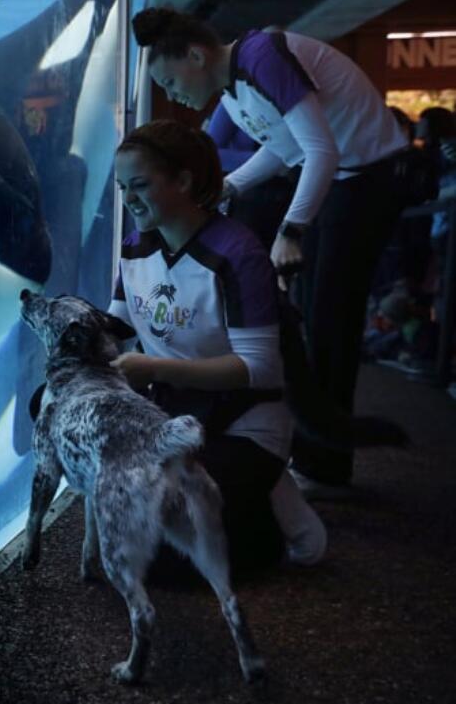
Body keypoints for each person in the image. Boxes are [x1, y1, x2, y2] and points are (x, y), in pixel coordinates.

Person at [131, 7, 415, 496]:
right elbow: (284, 147)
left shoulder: (261, 57)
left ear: (195, 55)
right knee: (313, 319)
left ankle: (325, 465)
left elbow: (319, 150)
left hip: (368, 178)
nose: (172, 94)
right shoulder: (238, 89)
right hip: (346, 180)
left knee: (331, 321)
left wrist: (292, 230)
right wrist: (228, 188)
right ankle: (320, 452)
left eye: (170, 80)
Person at [108, 119, 326, 569]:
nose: (128, 199)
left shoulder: (237, 252)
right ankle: (261, 493)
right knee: (136, 545)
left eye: (140, 185)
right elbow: (115, 327)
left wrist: (153, 368)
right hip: (177, 422)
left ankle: (270, 510)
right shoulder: (135, 247)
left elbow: (258, 368)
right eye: (122, 187)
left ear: (184, 181)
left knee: (167, 563)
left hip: (244, 421)